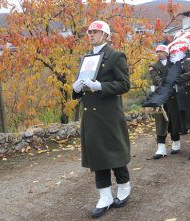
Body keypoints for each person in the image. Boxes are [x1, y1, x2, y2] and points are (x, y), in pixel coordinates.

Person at [72, 20, 131, 218]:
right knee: (98, 157)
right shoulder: (87, 57)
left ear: (106, 35)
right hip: (90, 114)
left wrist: (101, 87)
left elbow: (124, 85)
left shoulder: (116, 56)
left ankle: (124, 187)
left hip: (108, 114)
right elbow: (81, 83)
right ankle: (104, 197)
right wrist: (76, 89)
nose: (90, 34)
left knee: (114, 153)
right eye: (89, 32)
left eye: (95, 32)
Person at [149, 44, 181, 159]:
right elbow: (156, 79)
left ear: (166, 53)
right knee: (160, 121)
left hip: (172, 96)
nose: (158, 53)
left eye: (161, 51)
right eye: (157, 52)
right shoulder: (153, 66)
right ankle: (161, 148)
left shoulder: (173, 64)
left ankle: (176, 142)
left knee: (174, 120)